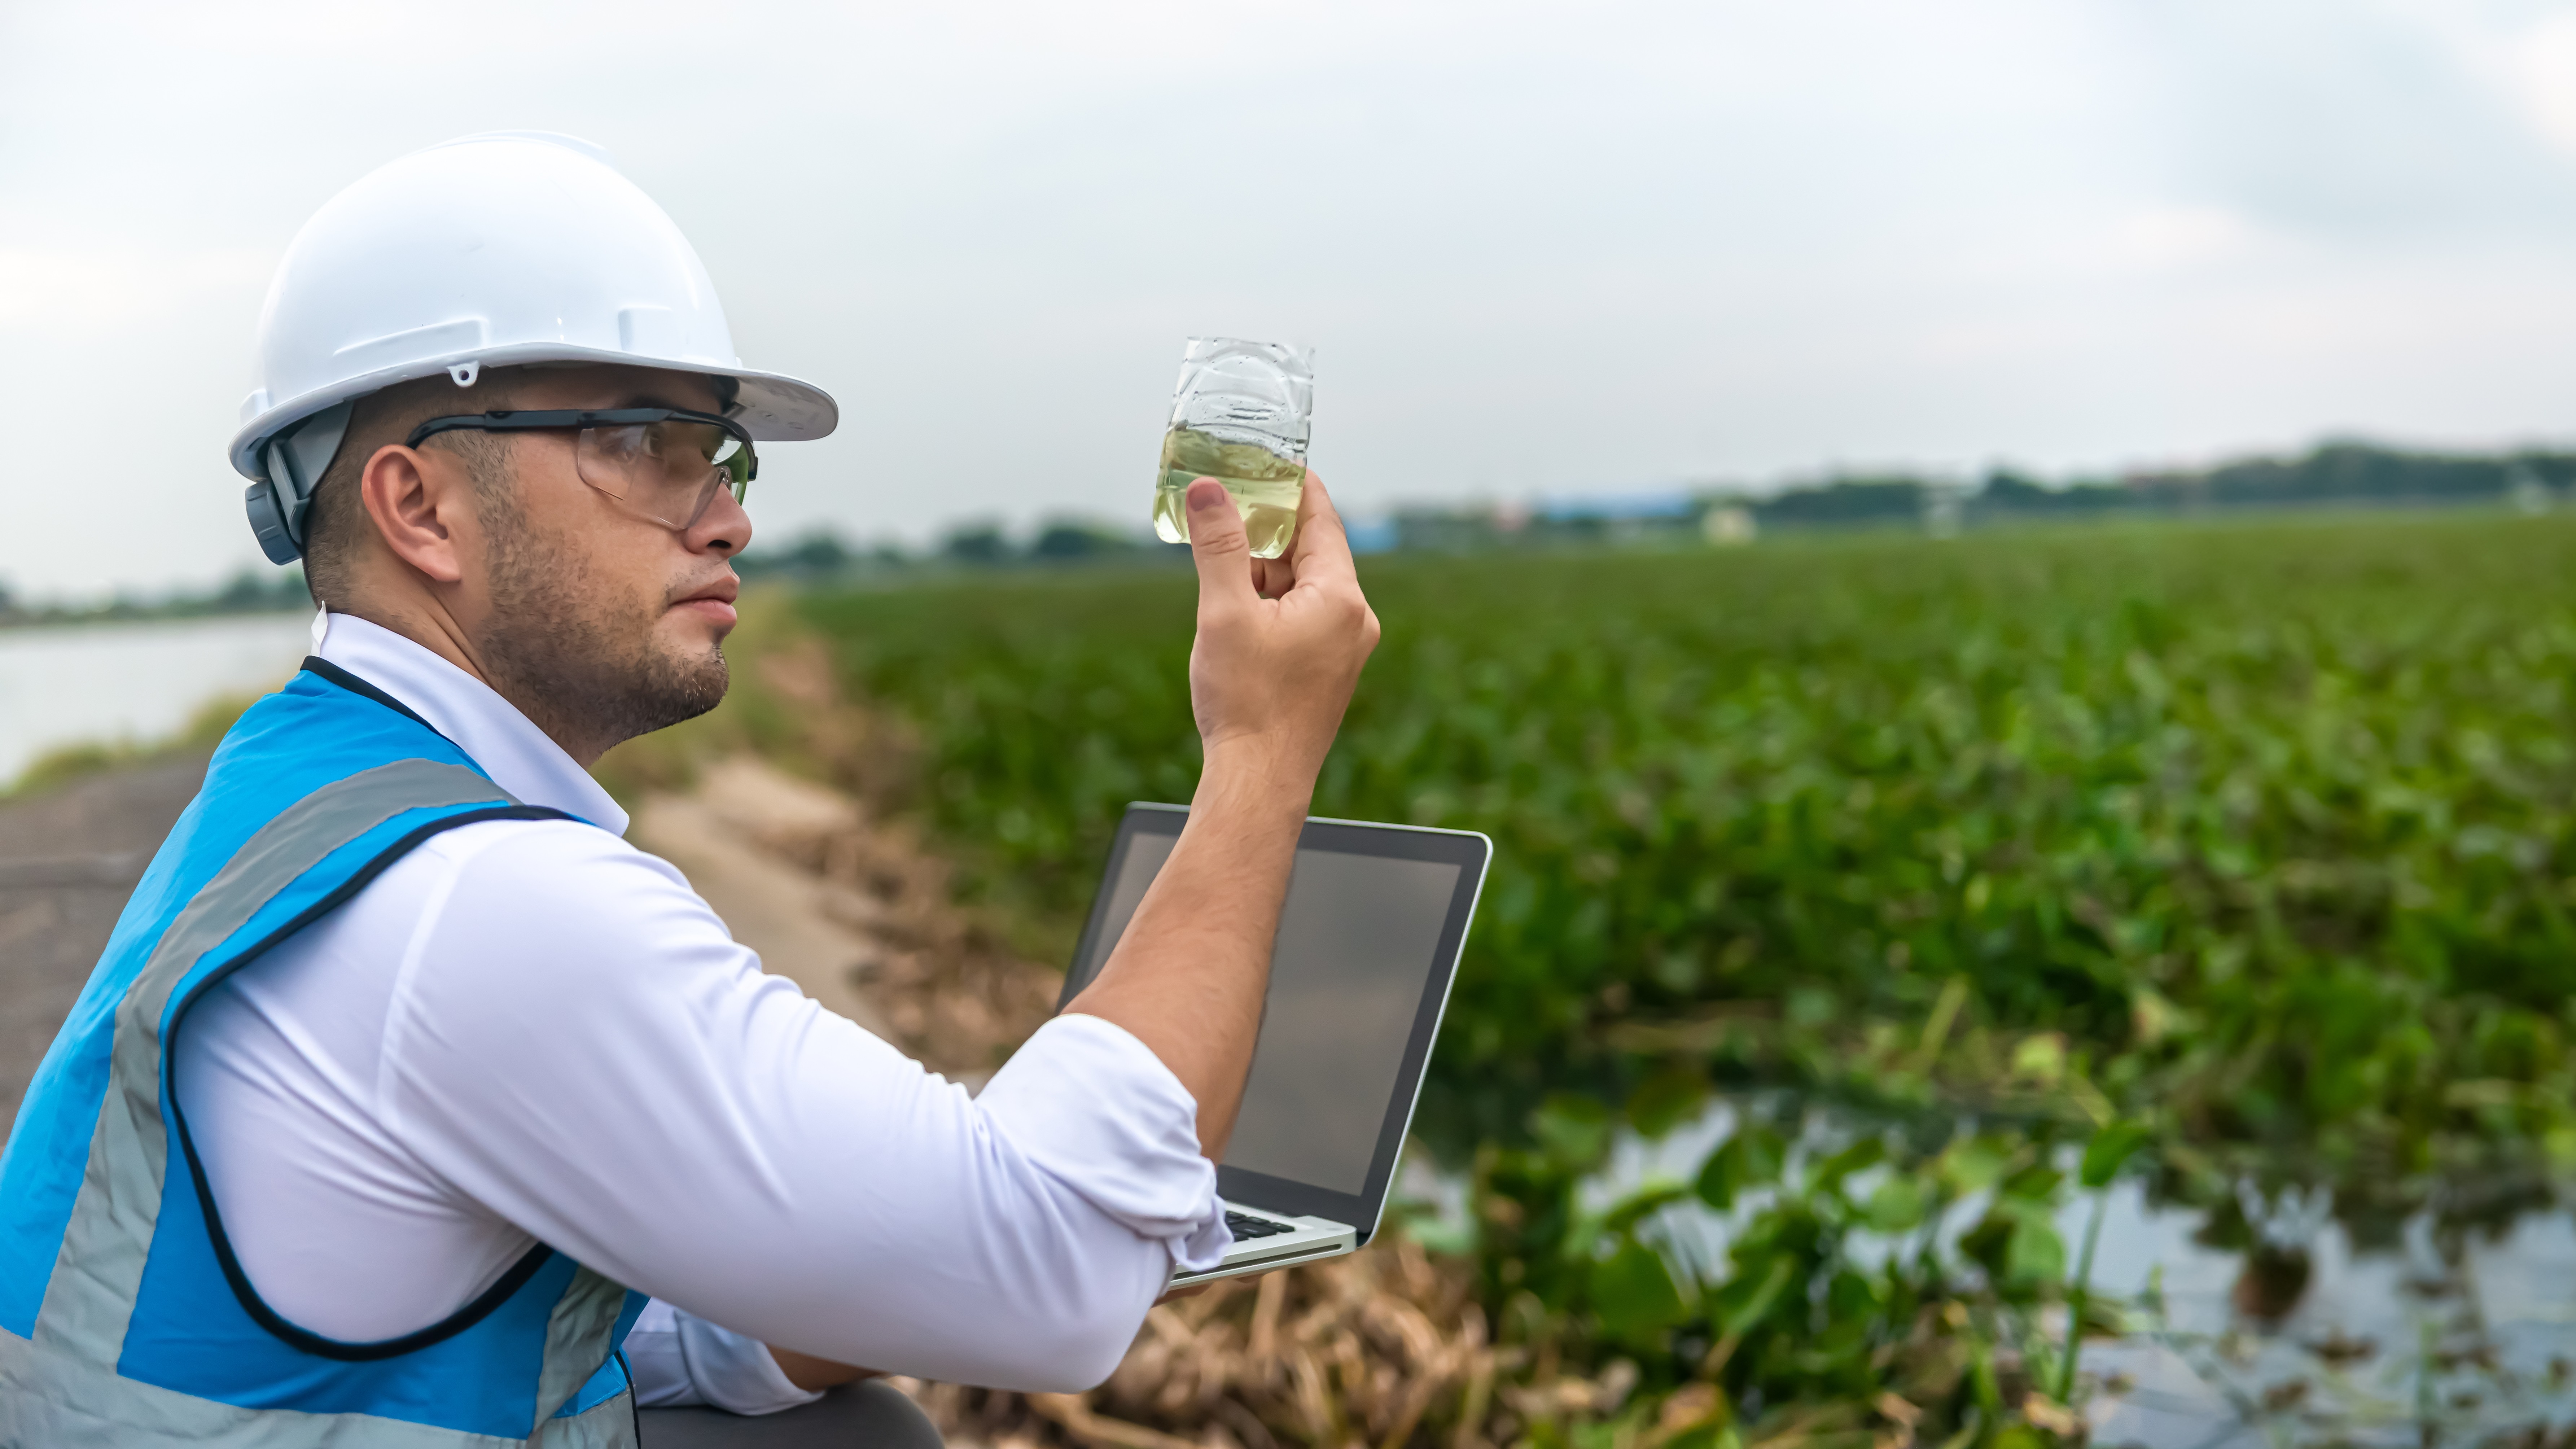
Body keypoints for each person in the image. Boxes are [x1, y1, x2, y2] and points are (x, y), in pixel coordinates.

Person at [0, 133, 1378, 1447]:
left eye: (719, 453)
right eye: (639, 441)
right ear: (419, 510)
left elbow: (610, 1336)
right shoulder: (479, 905)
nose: (727, 514)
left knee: (846, 1431)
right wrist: (1259, 754)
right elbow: (1064, 1274)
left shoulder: (304, 798)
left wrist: (853, 1246)